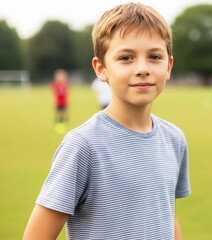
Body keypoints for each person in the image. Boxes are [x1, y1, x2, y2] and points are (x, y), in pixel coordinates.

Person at [23, 3, 190, 240]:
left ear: (169, 66)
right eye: (126, 58)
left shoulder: (175, 139)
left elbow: (166, 214)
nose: (142, 68)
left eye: (154, 57)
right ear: (101, 69)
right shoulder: (83, 146)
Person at [51, 69, 70, 134]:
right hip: (58, 102)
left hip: (64, 101)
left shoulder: (65, 84)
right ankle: (57, 123)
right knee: (58, 112)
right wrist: (54, 102)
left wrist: (68, 101)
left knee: (63, 112)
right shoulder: (56, 84)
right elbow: (54, 94)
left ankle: (63, 122)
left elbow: (67, 93)